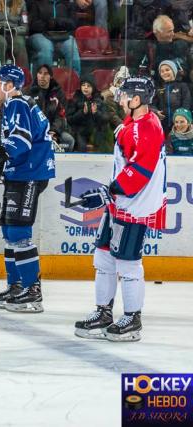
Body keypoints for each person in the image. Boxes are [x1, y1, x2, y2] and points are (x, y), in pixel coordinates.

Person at [74, 76, 166, 342]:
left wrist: (108, 191)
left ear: (136, 100)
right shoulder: (134, 123)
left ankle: (132, 319)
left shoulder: (147, 127)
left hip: (135, 206)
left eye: (125, 94)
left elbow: (139, 171)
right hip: (120, 202)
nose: (120, 96)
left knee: (128, 263)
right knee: (103, 258)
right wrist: (111, 194)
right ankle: (104, 311)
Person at [0, 64, 55, 313]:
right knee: (8, 229)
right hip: (22, 172)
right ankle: (16, 286)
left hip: (29, 173)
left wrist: (2, 153)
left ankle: (31, 291)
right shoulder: (18, 103)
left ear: (10, 85)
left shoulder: (17, 103)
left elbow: (22, 139)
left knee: (18, 232)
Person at [25, 64, 74, 152]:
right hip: (34, 131)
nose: (42, 76)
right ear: (36, 75)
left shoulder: (58, 93)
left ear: (51, 76)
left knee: (69, 140)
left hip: (54, 130)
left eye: (46, 74)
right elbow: (26, 117)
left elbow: (60, 116)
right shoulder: (29, 92)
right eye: (40, 73)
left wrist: (53, 131)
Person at [27, 0, 81, 74]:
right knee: (46, 49)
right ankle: (44, 82)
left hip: (63, 35)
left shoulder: (68, 3)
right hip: (41, 34)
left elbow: (73, 23)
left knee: (71, 49)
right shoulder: (36, 3)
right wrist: (48, 24)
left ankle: (74, 82)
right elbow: (33, 25)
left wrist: (57, 22)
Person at [66, 74, 108, 152]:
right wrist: (82, 113)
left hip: (95, 132)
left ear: (93, 87)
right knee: (81, 147)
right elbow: (69, 119)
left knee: (103, 146)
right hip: (80, 132)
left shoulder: (99, 100)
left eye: (88, 85)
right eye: (83, 85)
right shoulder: (75, 99)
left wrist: (96, 113)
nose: (85, 87)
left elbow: (105, 119)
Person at [153, 60, 191, 134]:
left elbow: (187, 104)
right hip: (162, 126)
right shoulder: (158, 88)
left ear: (174, 71)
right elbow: (151, 104)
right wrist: (156, 111)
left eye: (167, 70)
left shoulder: (182, 86)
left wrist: (181, 117)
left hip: (179, 126)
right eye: (162, 71)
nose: (165, 73)